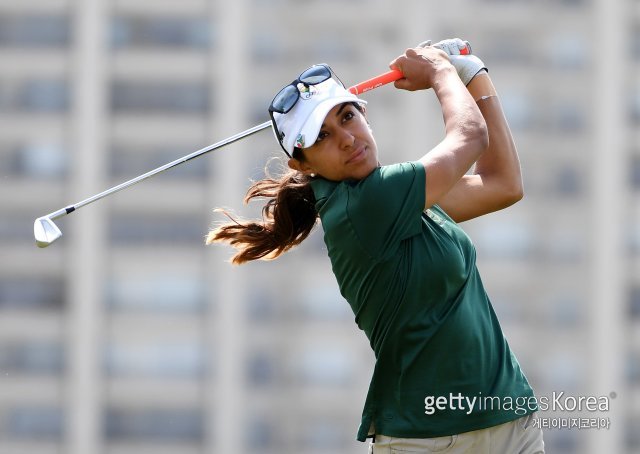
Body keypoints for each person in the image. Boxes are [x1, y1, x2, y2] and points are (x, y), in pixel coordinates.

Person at [207, 38, 545, 453]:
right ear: (303, 165)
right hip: (428, 441)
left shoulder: (401, 195)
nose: (347, 139)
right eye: (323, 136)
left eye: (348, 116)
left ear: (365, 114)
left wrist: (474, 76)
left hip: (508, 420)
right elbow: (470, 137)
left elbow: (503, 184)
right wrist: (441, 70)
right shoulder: (364, 206)